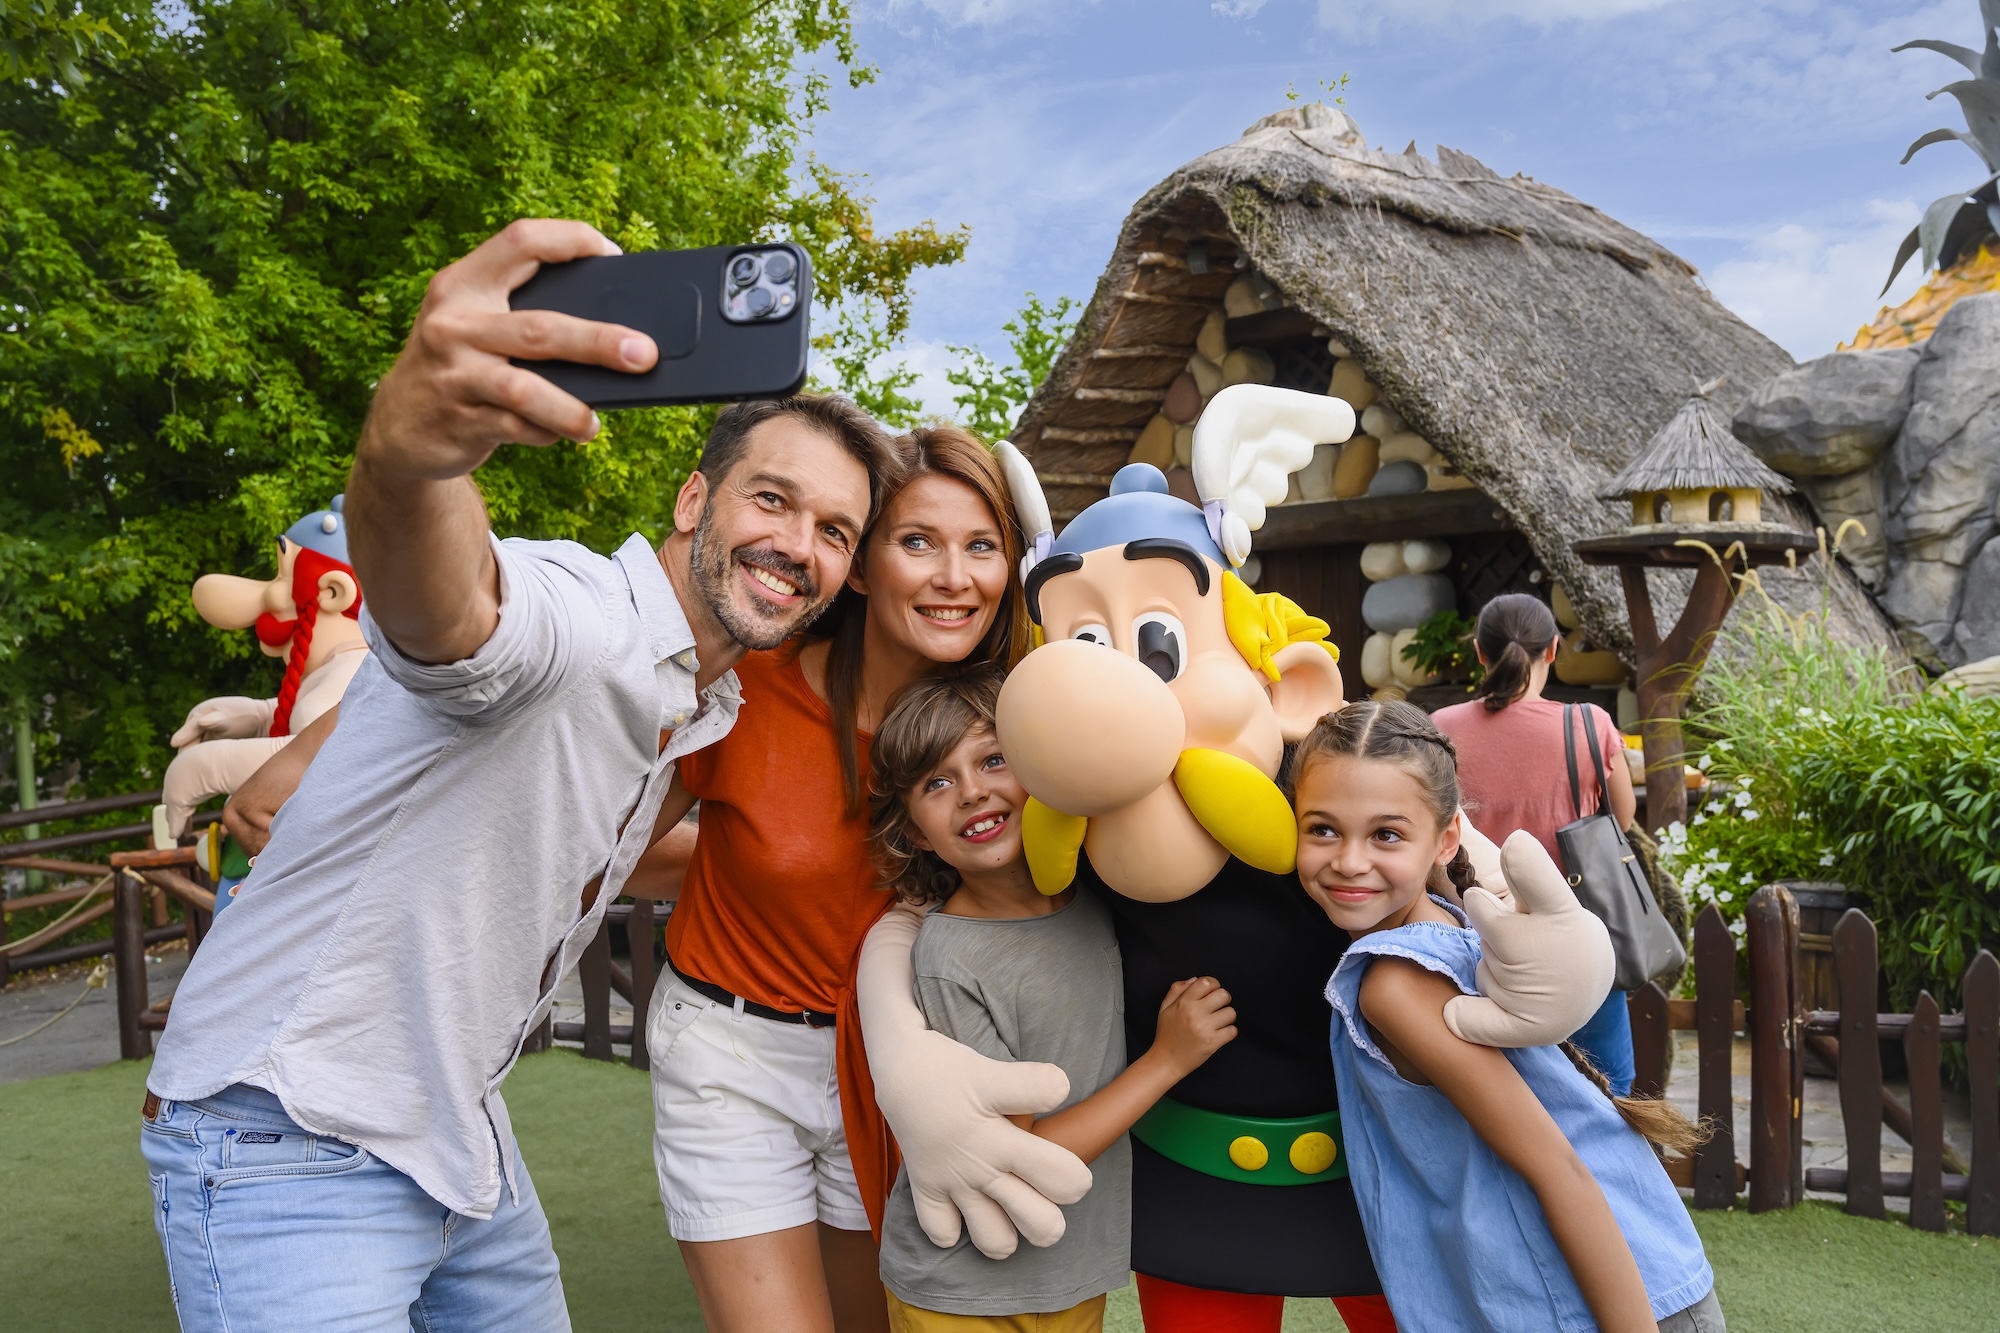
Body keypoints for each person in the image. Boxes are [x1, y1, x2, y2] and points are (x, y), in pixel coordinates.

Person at [139, 218, 897, 1332]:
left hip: (460, 1141)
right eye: (772, 500)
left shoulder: (702, 701)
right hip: (285, 1134)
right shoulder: (584, 617)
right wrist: (409, 452)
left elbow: (583, 852)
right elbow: (455, 611)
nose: (801, 544)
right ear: (695, 501)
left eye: (836, 530)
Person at [623, 422, 1048, 1333]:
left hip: (896, 1065)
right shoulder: (747, 686)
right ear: (859, 565)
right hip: (733, 1054)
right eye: (918, 541)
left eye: (982, 546)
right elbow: (605, 856)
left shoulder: (1020, 716)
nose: (954, 576)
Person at [1297, 700, 1722, 1333]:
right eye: (1322, 829)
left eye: (1386, 834)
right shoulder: (1457, 925)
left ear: (1446, 838)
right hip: (1636, 1274)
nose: (1349, 860)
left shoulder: (1395, 982)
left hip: (1592, 1305)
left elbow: (1559, 1168)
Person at [867, 668, 1236, 1333]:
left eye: (994, 759)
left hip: (1070, 1273)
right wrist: (1167, 1059)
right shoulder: (952, 959)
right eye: (937, 782)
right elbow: (1016, 1156)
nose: (973, 791)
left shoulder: (1099, 892)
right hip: (960, 1293)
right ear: (916, 830)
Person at [1432, 593, 1642, 1093]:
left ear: (1480, 653)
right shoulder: (1589, 724)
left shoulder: (1439, 729)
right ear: (1553, 650)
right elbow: (1625, 820)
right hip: (1577, 926)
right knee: (1609, 1084)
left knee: (1499, 1086)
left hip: (1472, 928)